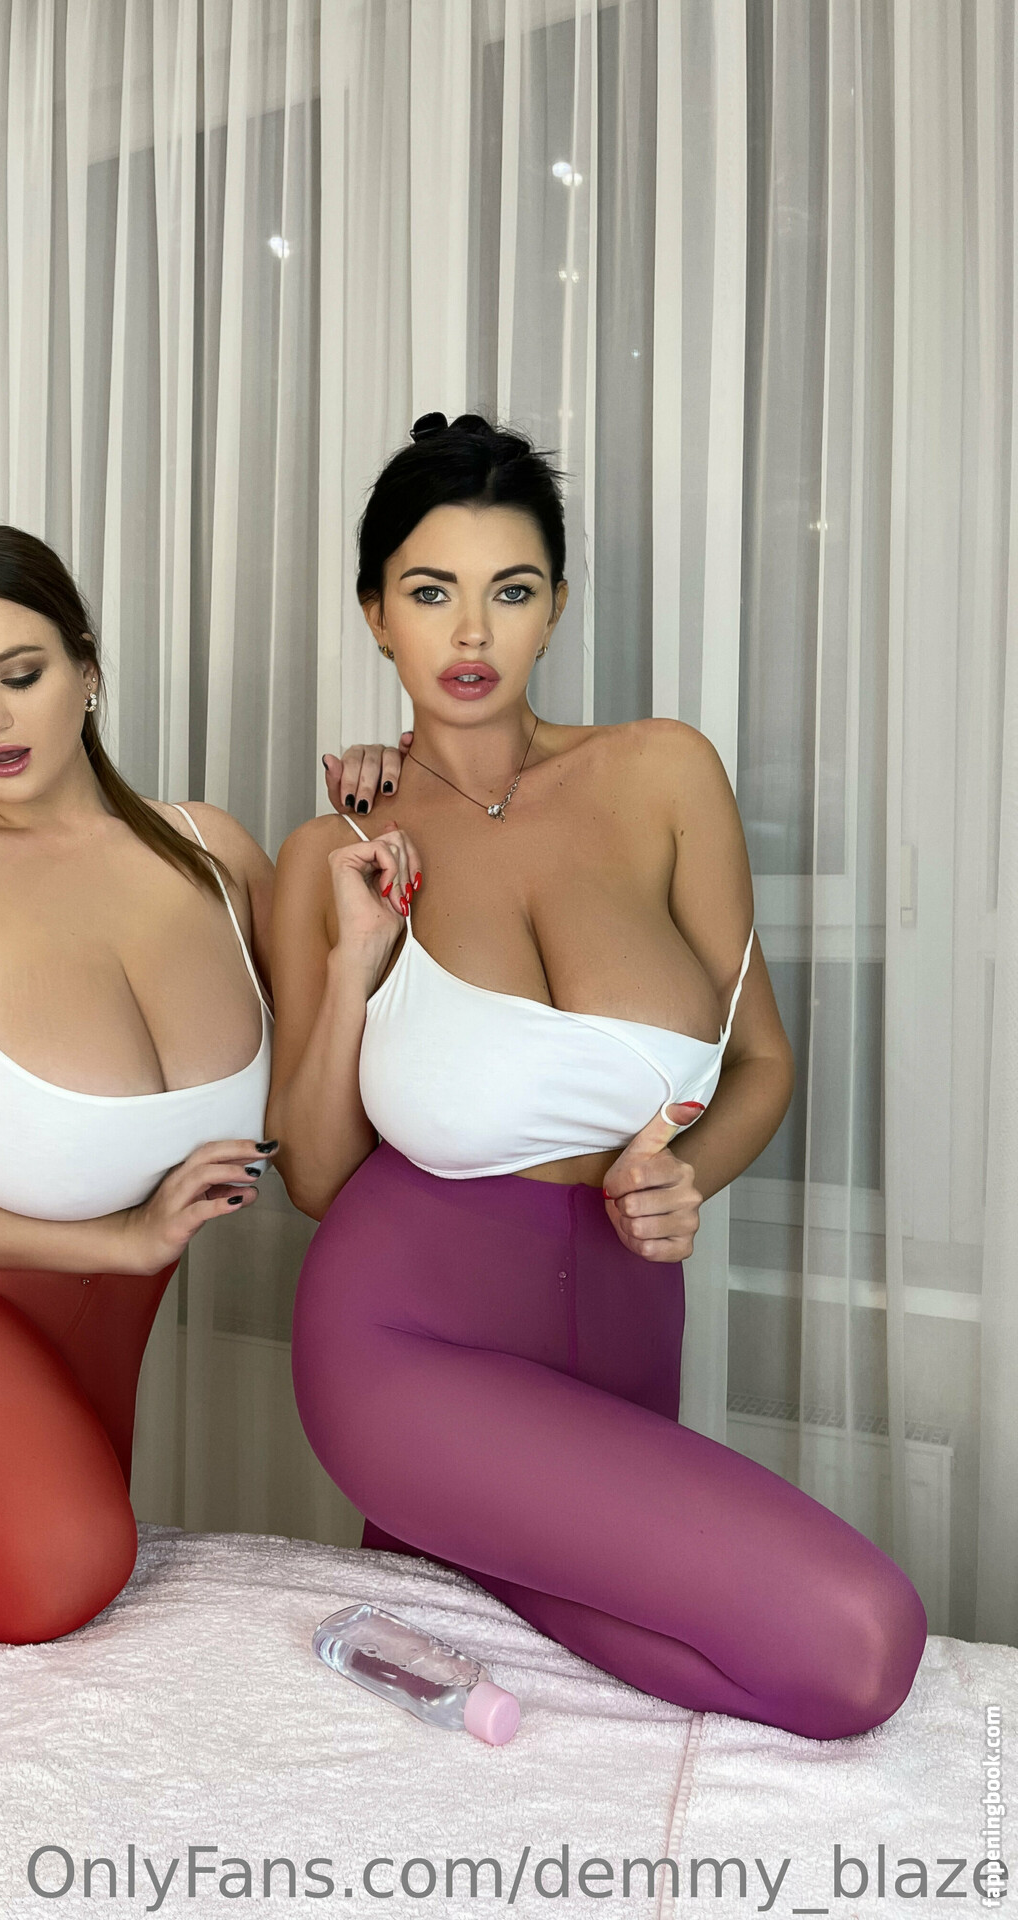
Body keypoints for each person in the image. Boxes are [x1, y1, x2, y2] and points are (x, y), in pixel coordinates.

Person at [265, 411, 928, 1741]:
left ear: (557, 607)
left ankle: (440, 1566)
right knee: (861, 1641)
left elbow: (761, 1061)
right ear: (375, 615)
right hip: (403, 1351)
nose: (471, 633)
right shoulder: (334, 851)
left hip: (620, 1354)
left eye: (510, 592)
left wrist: (689, 1175)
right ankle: (435, 1537)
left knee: (724, 1655)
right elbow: (320, 1179)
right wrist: (353, 962)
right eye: (430, 593)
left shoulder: (664, 774)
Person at [0, 522, 408, 1644]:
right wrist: (124, 1240)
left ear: (88, 669)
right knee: (59, 1569)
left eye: (21, 674)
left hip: (85, 1339)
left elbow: (314, 1140)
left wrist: (370, 907)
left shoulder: (213, 853)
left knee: (78, 1550)